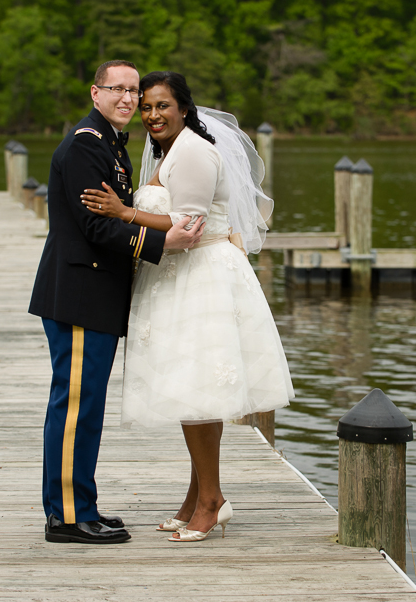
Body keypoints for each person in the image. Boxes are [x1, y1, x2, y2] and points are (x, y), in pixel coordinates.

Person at [81, 71, 294, 543]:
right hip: (177, 276)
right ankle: (198, 497)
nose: (153, 115)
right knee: (194, 395)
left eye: (163, 106)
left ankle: (212, 501)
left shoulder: (195, 150)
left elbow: (189, 224)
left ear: (183, 108)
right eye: (147, 108)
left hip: (201, 276)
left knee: (199, 396)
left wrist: (124, 212)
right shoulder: (168, 150)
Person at [28, 61, 205, 545]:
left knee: (84, 408)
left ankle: (80, 505)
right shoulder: (88, 143)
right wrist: (159, 245)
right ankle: (67, 517)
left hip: (92, 296)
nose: (128, 99)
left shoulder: (107, 142)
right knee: (76, 409)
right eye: (118, 90)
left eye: (134, 91)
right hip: (81, 295)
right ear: (95, 92)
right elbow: (96, 227)